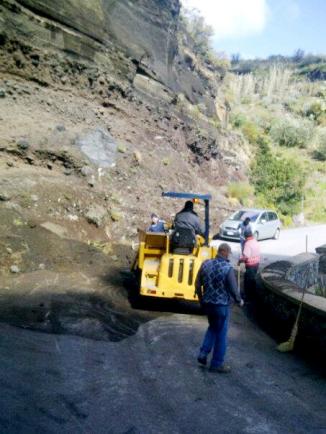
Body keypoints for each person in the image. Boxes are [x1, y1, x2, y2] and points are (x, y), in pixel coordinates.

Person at [195, 243, 244, 373]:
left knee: (212, 328)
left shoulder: (206, 264)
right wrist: (240, 301)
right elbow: (233, 289)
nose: (229, 255)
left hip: (208, 304)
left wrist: (201, 300)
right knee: (221, 334)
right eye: (229, 253)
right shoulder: (227, 268)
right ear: (225, 252)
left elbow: (197, 283)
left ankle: (203, 353)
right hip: (221, 306)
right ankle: (217, 363)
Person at [238, 227, 261, 301]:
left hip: (250, 265)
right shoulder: (255, 241)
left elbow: (246, 257)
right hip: (256, 264)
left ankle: (247, 298)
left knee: (247, 282)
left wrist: (240, 260)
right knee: (252, 280)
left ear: (246, 236)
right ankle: (253, 295)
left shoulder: (248, 244)